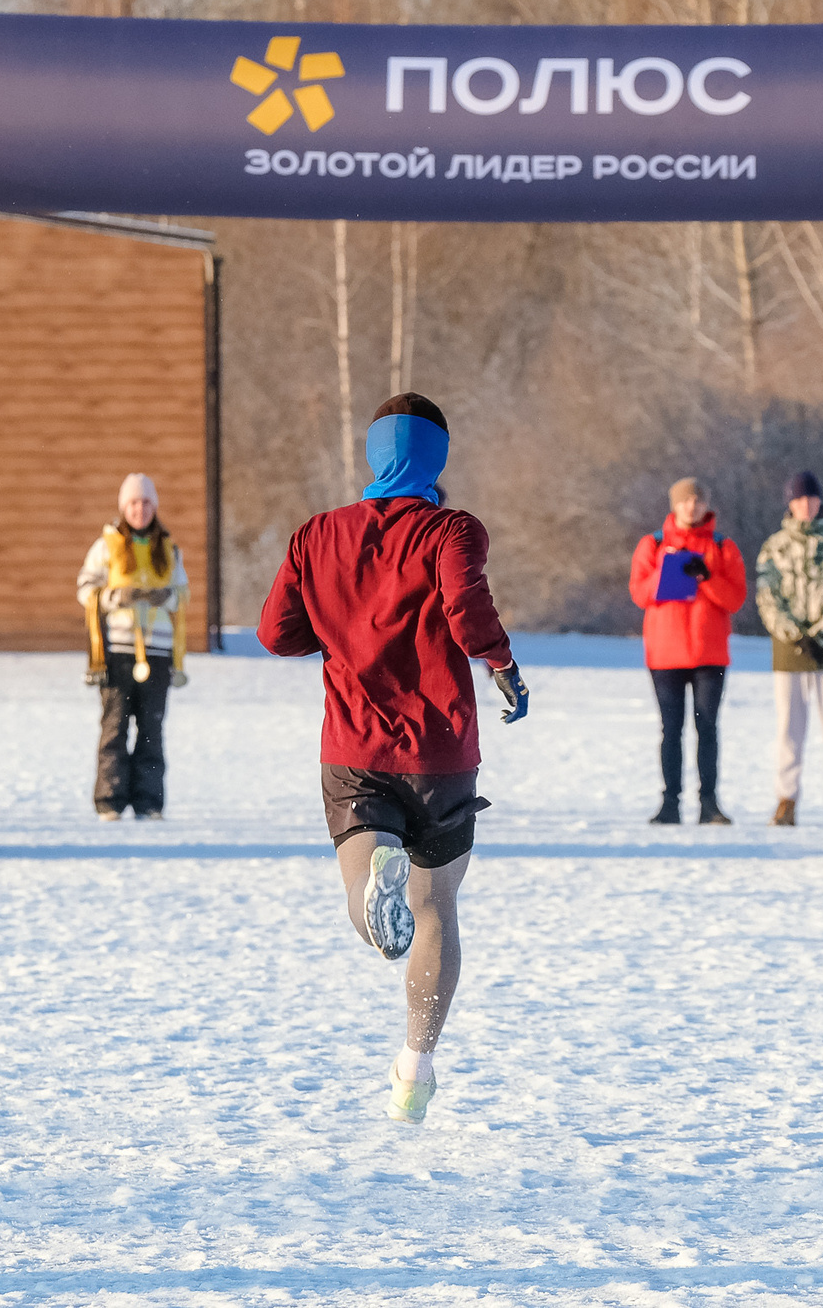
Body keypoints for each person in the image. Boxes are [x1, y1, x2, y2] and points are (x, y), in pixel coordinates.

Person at [258, 393, 528, 1126]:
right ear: (437, 458)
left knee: (369, 894)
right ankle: (415, 1067)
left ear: (373, 454)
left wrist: (341, 619)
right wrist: (503, 665)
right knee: (436, 905)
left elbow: (276, 633)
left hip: (353, 749)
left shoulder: (318, 535)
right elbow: (467, 607)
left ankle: (375, 884)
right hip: (440, 751)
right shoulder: (452, 529)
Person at [628, 476, 746, 825]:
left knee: (707, 728)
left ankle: (709, 803)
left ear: (707, 504)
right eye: (685, 501)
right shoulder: (653, 544)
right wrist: (668, 571)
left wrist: (706, 577)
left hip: (710, 655)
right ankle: (670, 804)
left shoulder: (723, 547)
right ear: (674, 505)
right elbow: (639, 592)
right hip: (665, 654)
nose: (691, 507)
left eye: (697, 500)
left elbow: (736, 599)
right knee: (671, 729)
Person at [754, 470, 823, 829]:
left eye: (811, 498)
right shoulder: (775, 547)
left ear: (820, 501)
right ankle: (786, 800)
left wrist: (822, 633)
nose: (806, 505)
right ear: (790, 502)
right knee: (788, 728)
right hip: (789, 650)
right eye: (799, 499)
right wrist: (794, 634)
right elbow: (767, 595)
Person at [77, 472, 190, 821]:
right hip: (116, 651)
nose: (140, 510)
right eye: (133, 503)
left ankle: (149, 801)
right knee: (114, 726)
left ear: (154, 507)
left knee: (151, 729)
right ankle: (109, 801)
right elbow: (85, 588)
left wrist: (166, 596)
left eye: (146, 503)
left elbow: (182, 593)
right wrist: (114, 597)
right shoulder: (106, 545)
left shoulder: (168, 549)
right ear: (124, 507)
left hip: (157, 653)